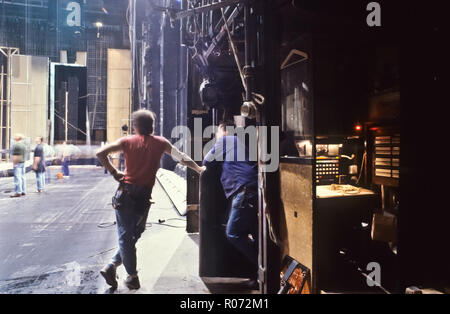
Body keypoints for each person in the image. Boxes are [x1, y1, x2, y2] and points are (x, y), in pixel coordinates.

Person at [96, 109, 205, 290]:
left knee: (127, 236)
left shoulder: (127, 141)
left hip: (126, 194)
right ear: (152, 126)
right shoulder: (160, 143)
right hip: (144, 197)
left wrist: (115, 172)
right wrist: (199, 169)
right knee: (132, 235)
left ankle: (118, 269)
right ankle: (127, 273)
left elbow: (101, 153)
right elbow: (182, 158)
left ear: (135, 126)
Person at [202, 121, 259, 289]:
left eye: (218, 132)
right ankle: (258, 275)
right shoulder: (240, 143)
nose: (217, 136)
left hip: (244, 191)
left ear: (224, 131)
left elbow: (207, 160)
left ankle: (263, 265)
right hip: (251, 190)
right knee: (254, 235)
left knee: (232, 233)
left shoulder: (227, 140)